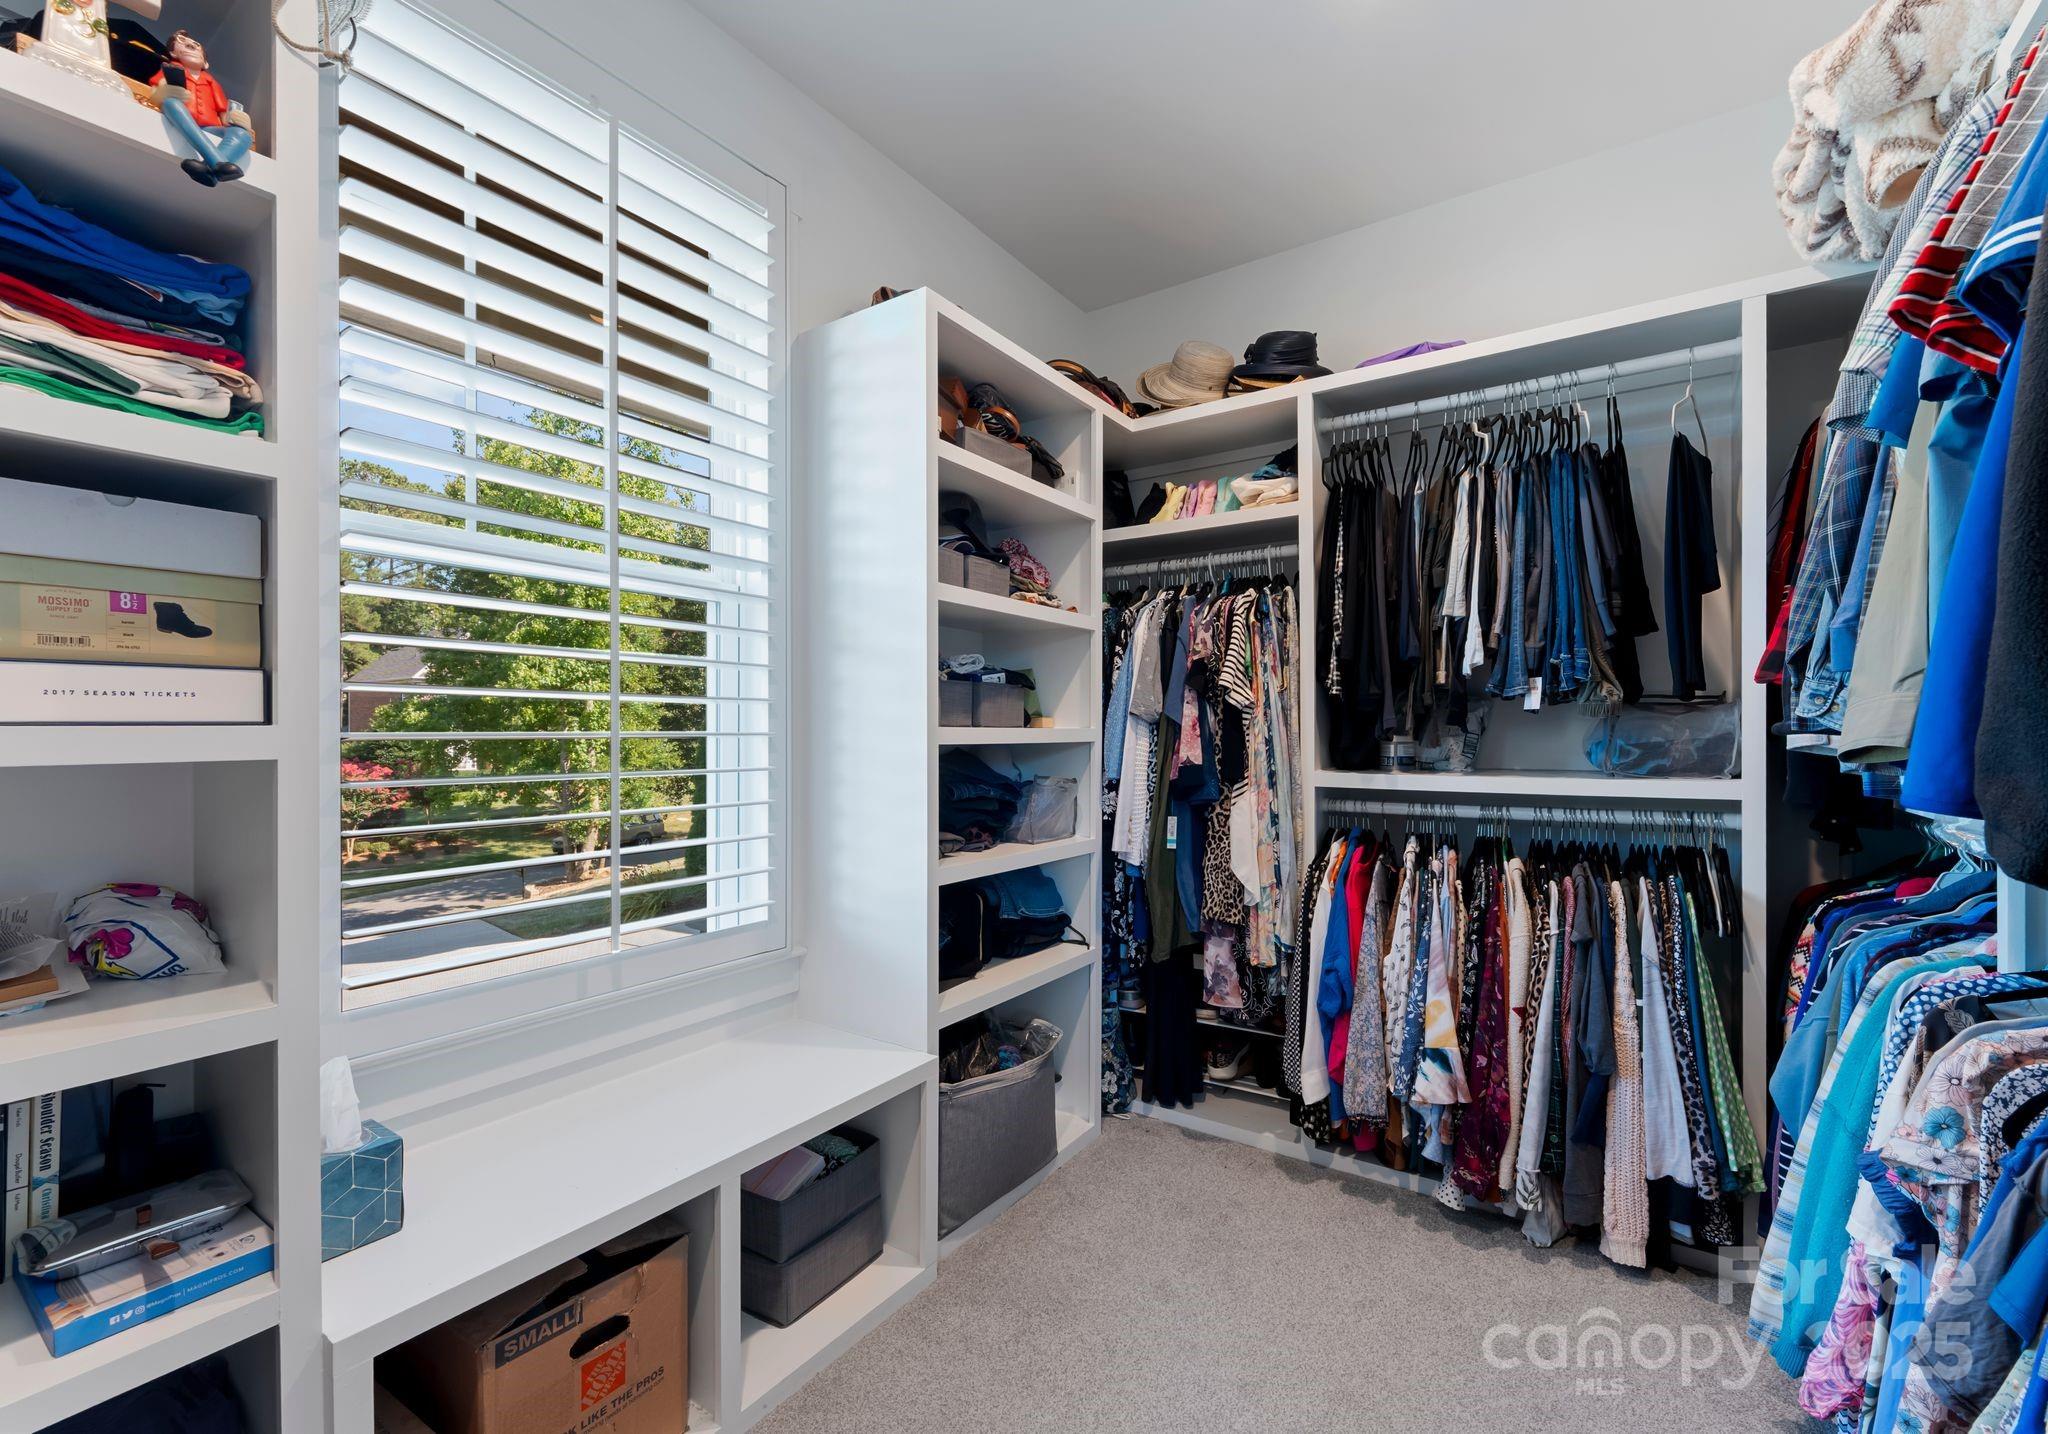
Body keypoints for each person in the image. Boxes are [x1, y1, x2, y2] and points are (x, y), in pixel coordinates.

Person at [151, 30, 254, 187]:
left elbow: (223, 112)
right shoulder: (171, 69)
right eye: (184, 43)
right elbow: (155, 92)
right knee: (171, 103)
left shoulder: (211, 82)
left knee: (243, 134)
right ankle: (218, 163)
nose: (191, 45)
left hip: (209, 127)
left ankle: (210, 170)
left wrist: (236, 120)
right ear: (173, 53)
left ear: (205, 63)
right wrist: (163, 93)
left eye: (196, 46)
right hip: (181, 118)